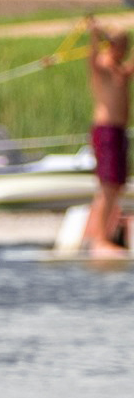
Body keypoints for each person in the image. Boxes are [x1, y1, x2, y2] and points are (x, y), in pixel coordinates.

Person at [82, 14, 132, 256]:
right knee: (108, 186)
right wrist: (95, 34)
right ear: (111, 45)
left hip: (118, 132)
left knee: (116, 185)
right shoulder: (102, 65)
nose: (124, 49)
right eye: (121, 44)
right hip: (107, 132)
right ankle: (100, 239)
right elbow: (92, 58)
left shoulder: (120, 69)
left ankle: (102, 234)